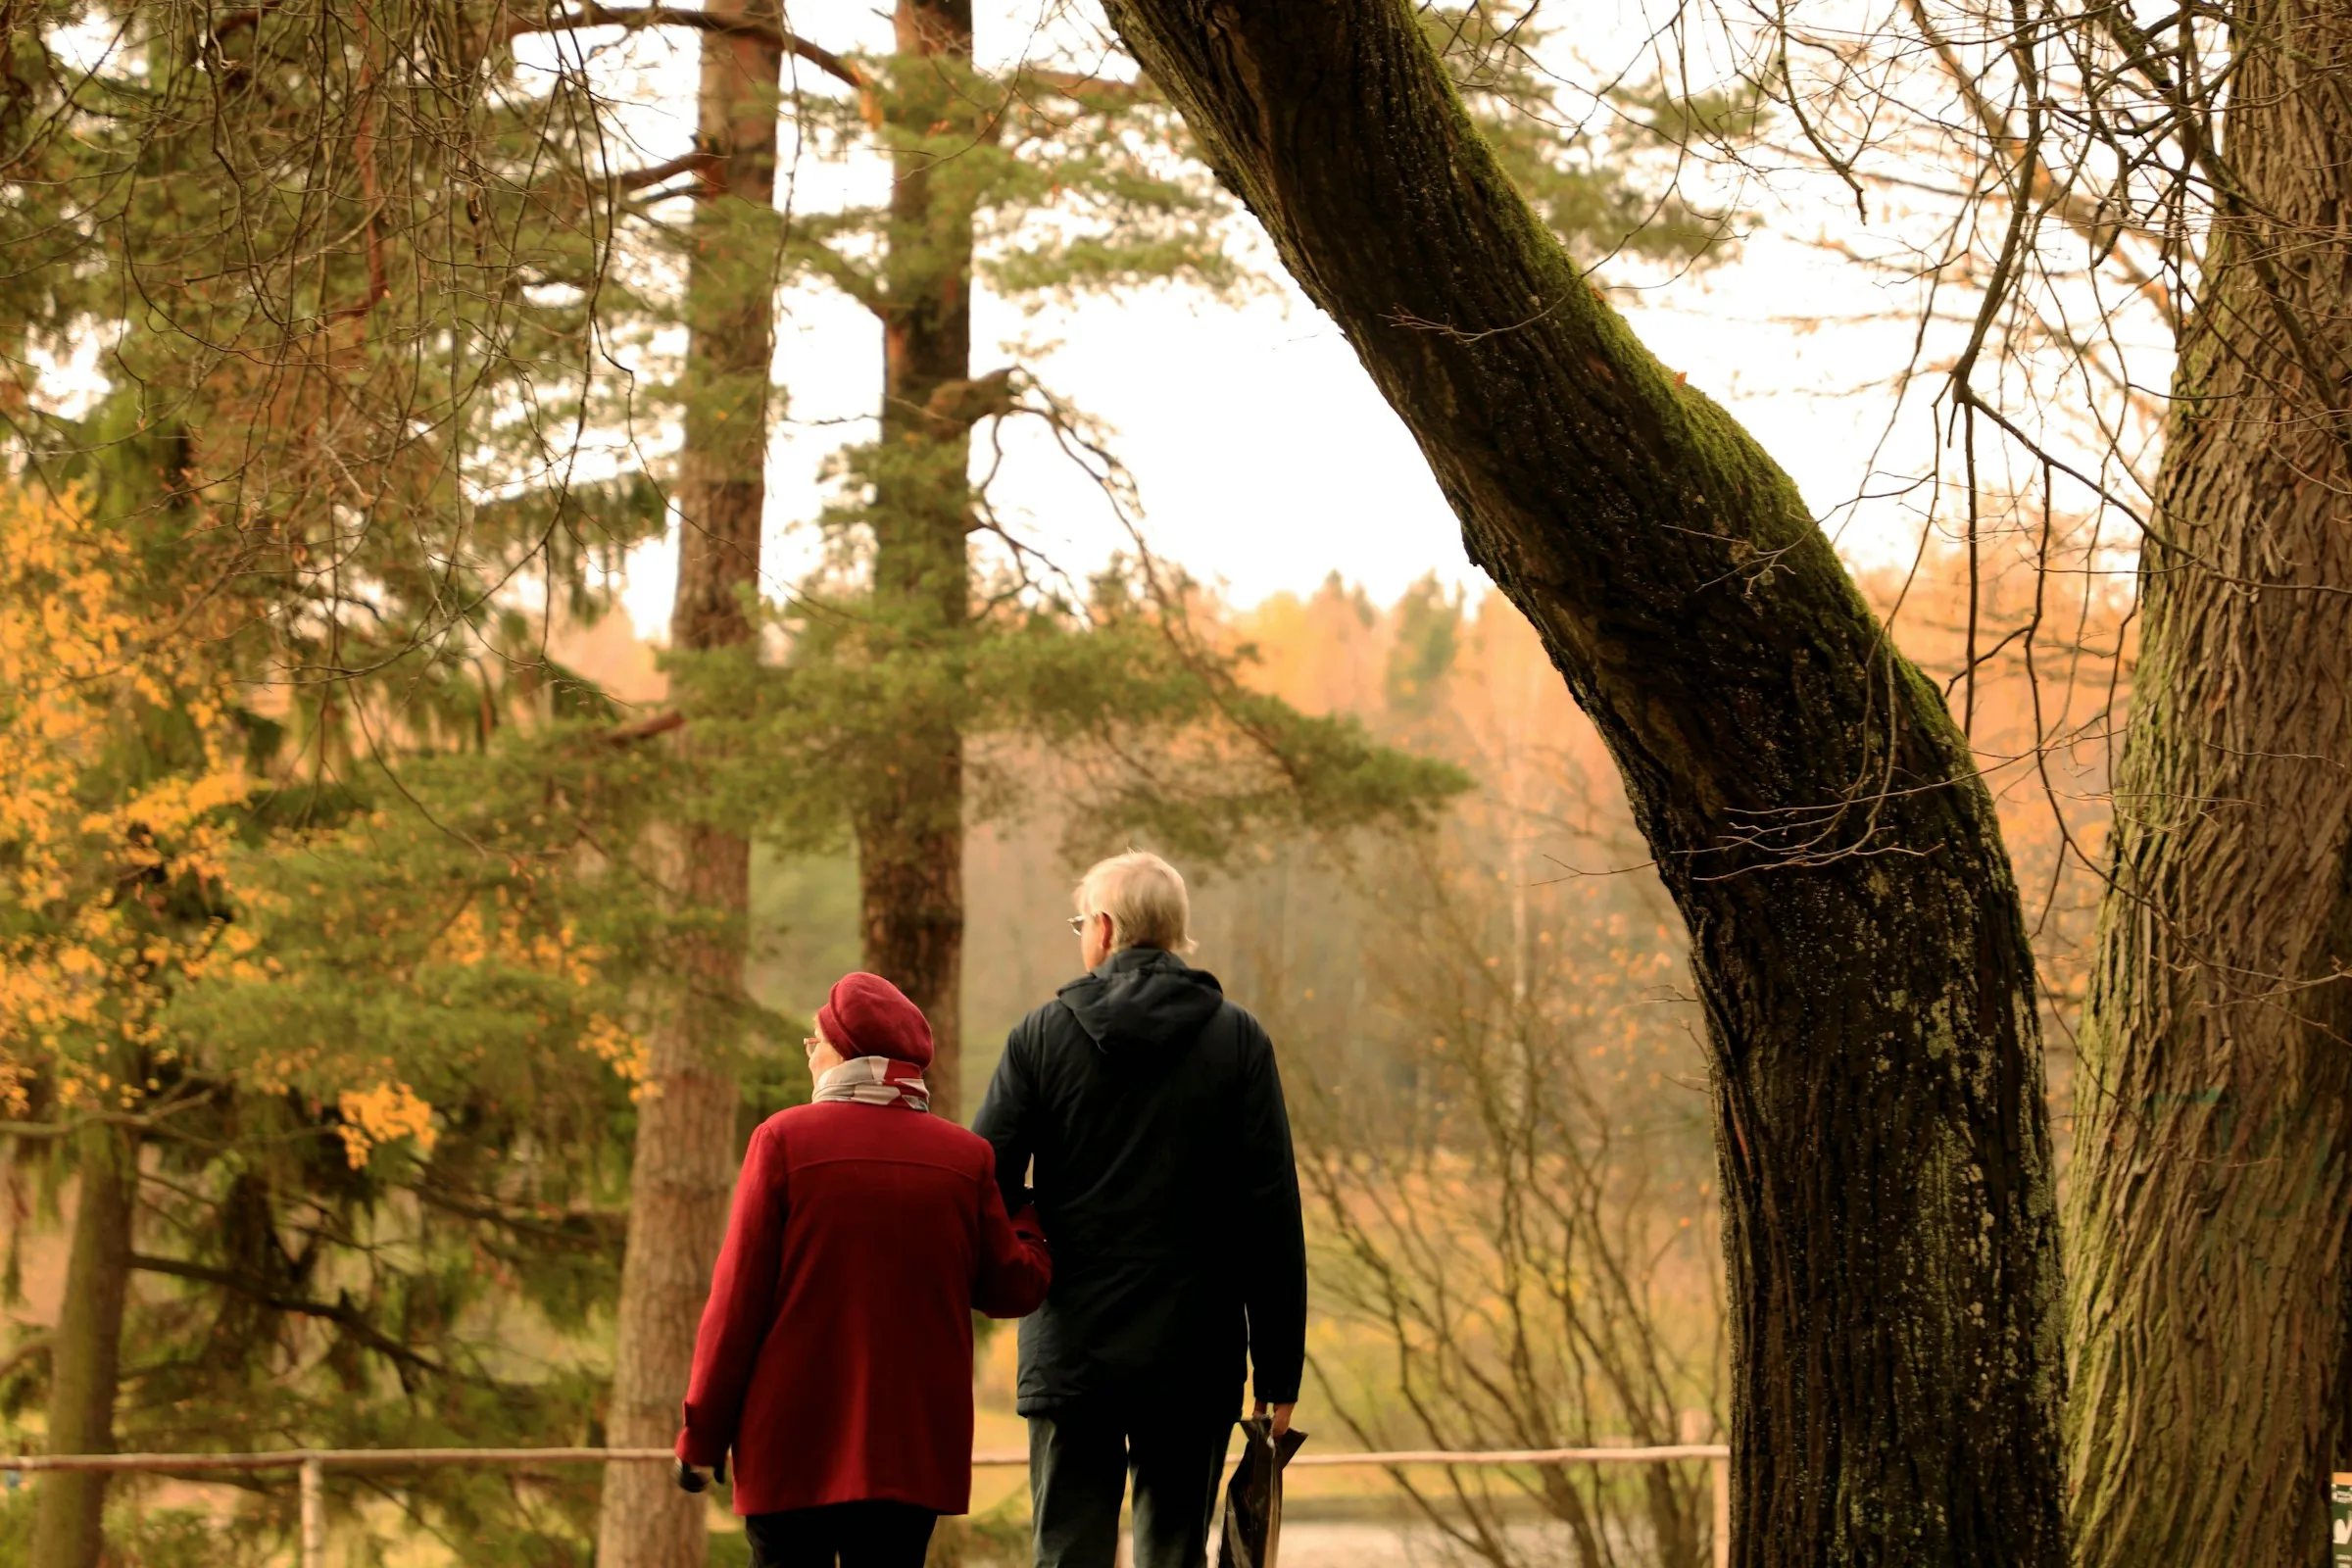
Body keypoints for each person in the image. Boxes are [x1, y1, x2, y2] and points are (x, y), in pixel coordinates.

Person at [972, 851, 1307, 1568]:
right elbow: (1271, 1214)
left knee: (1066, 1553)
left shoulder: (1041, 1035)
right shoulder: (1238, 1039)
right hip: (1194, 1355)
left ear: (1101, 926)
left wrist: (1035, 1229)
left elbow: (982, 1183)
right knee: (1174, 1554)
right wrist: (1279, 1374)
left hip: (1072, 1349)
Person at [675, 972, 1053, 1568]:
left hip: (789, 1450)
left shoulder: (783, 1142)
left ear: (844, 1053)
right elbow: (1012, 1287)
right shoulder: (964, 1158)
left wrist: (701, 1436)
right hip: (907, 1458)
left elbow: (736, 1304)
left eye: (815, 1039)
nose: (808, 1050)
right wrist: (1031, 1218)